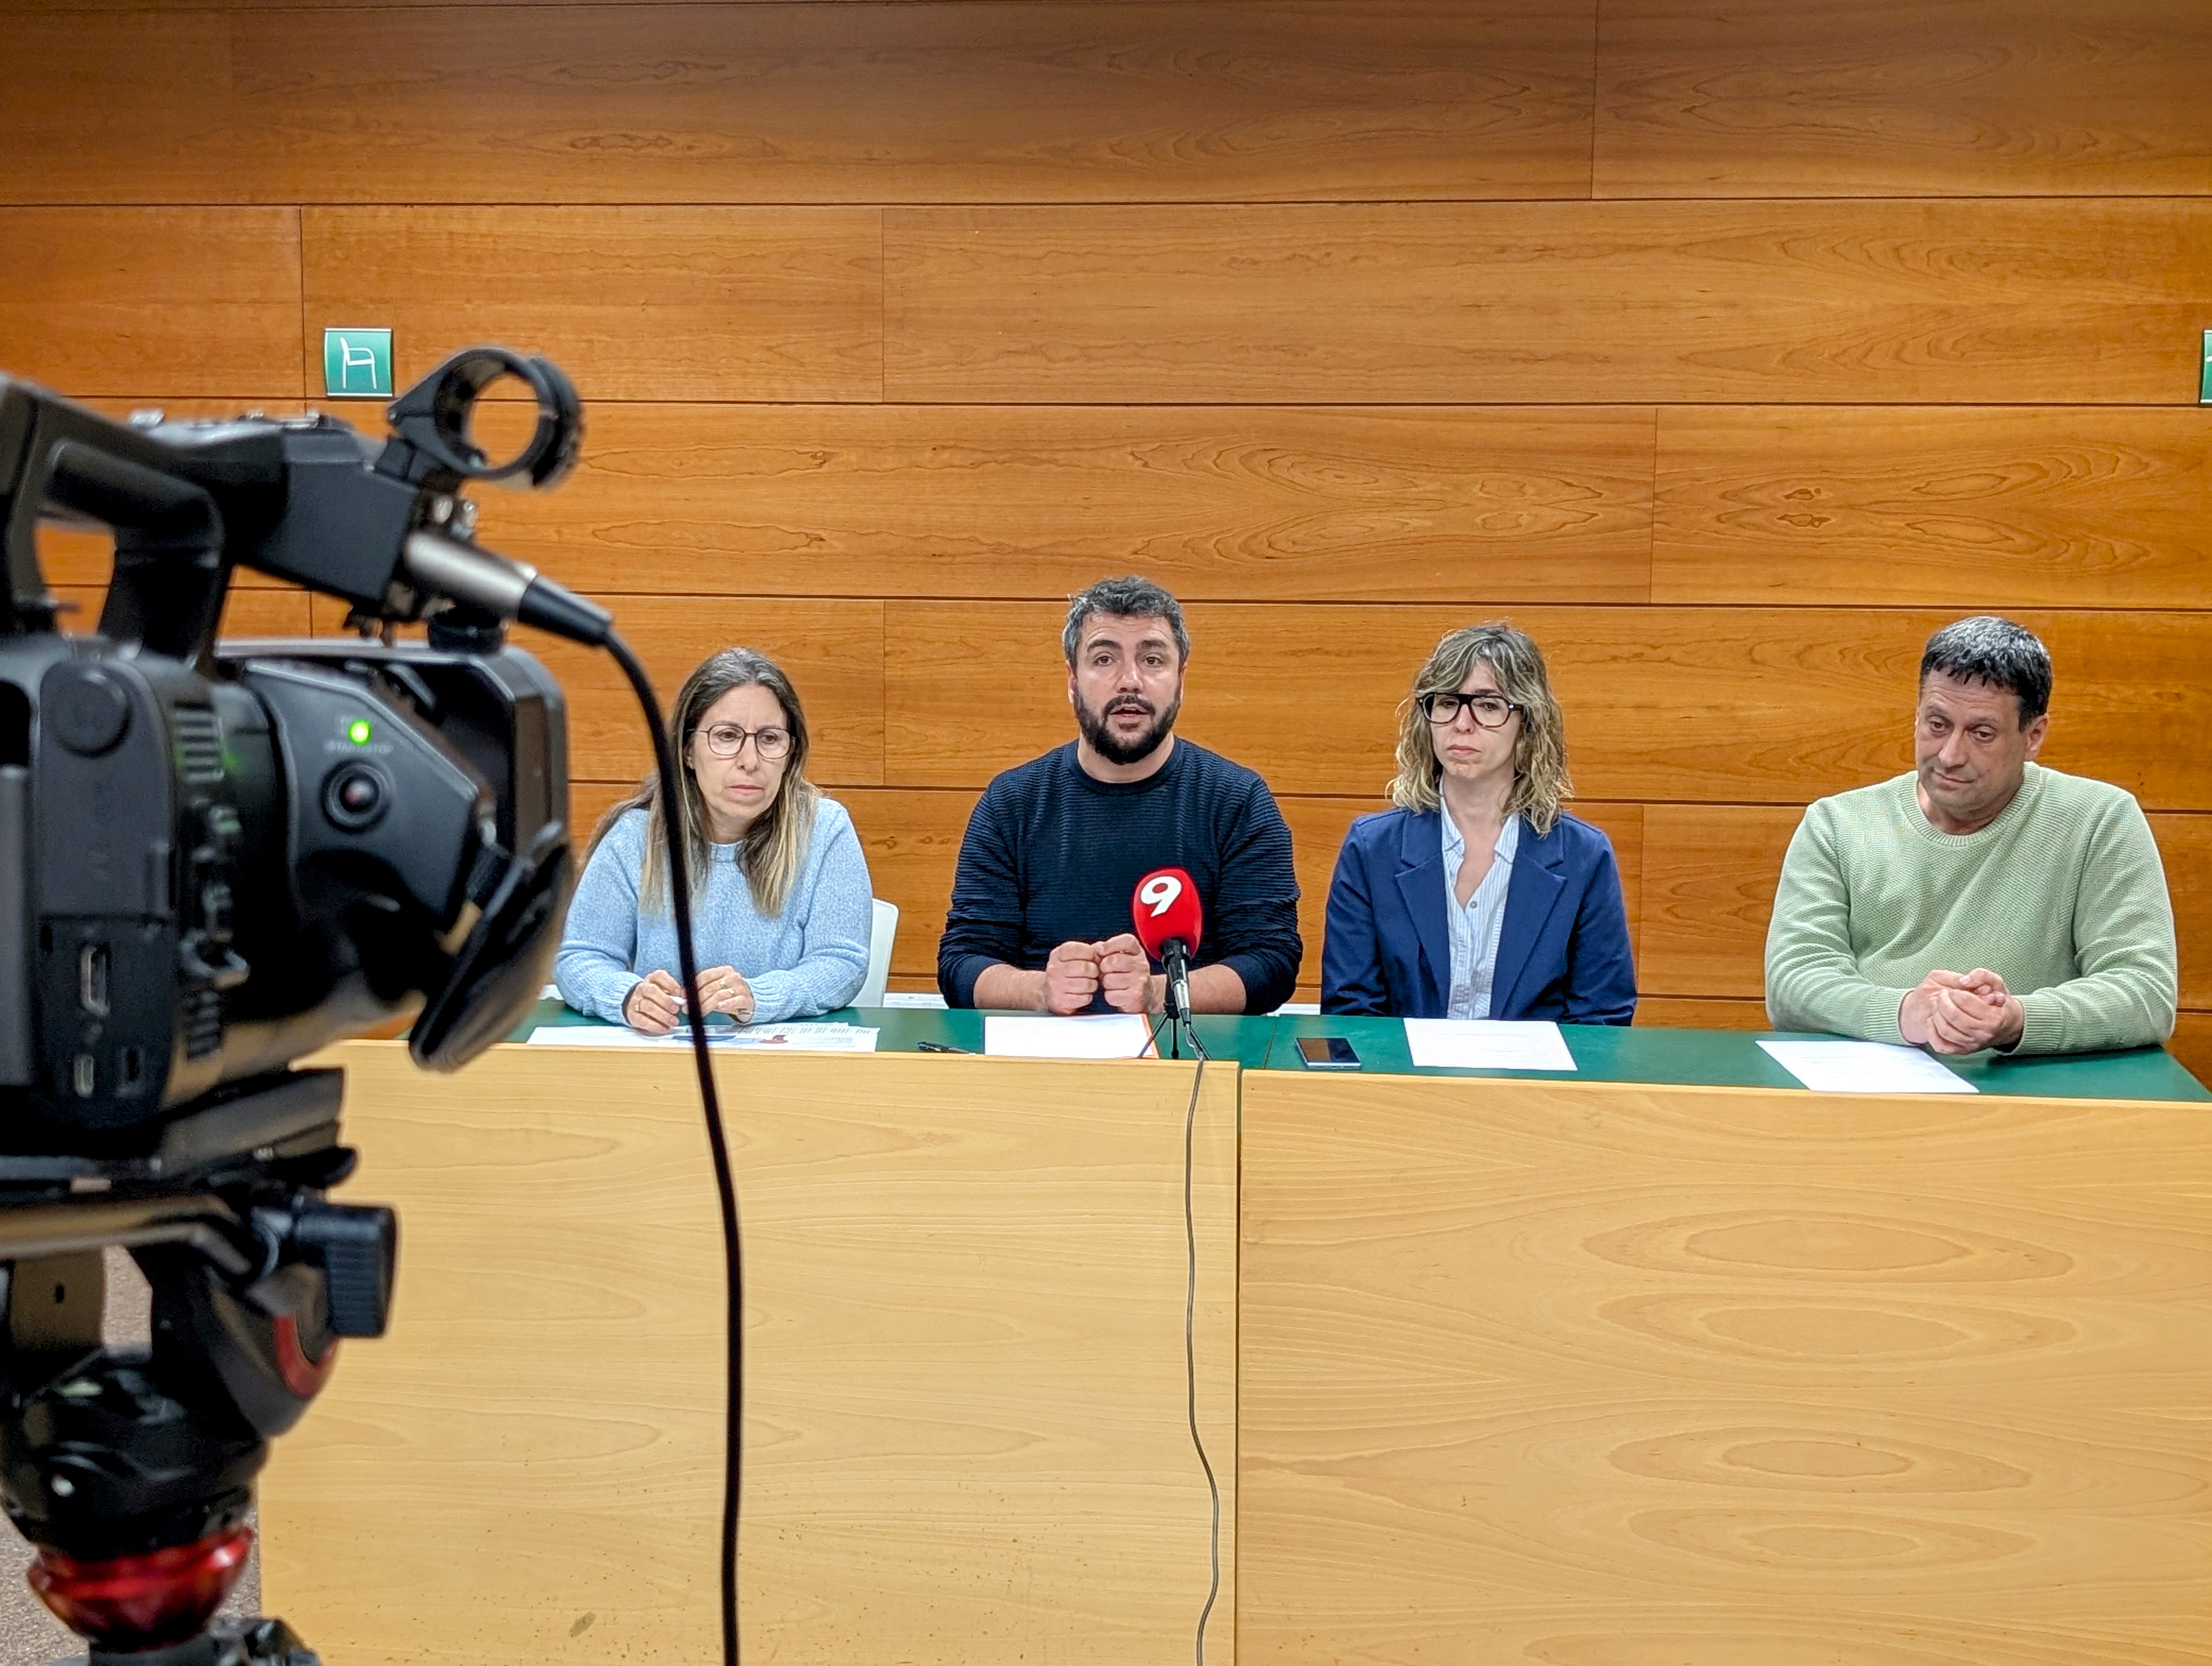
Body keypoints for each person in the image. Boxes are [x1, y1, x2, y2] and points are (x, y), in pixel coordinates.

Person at [1765, 616, 2176, 1055]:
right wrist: (1905, 1013)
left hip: (2033, 1088)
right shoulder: (1837, 823)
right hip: (1869, 1083)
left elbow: (2145, 991)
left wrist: (2015, 1019)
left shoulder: (2099, 820)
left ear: (2033, 736)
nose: (1950, 755)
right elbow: (1794, 980)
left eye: (1981, 734)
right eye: (1937, 725)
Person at [937, 575, 1302, 1015]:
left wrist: (1158, 994)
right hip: (1043, 1049)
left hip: (1187, 1050)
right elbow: (961, 965)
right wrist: (1040, 991)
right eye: (1105, 659)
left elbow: (1271, 965)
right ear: (1073, 680)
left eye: (1152, 659)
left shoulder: (1238, 801)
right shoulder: (1010, 804)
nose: (1130, 681)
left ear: (1180, 680)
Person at [1321, 623, 1636, 1023]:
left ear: (1528, 723)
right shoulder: (1372, 849)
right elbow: (1351, 1011)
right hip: (1403, 1065)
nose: (1462, 724)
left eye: (1488, 706)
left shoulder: (1584, 857)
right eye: (1447, 703)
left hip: (1533, 1066)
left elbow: (1602, 1018)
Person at [557, 647, 872, 1031]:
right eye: (727, 736)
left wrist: (759, 996)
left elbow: (842, 963)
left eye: (769, 739)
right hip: (663, 1055)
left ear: (791, 752)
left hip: (782, 1056)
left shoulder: (824, 829)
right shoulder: (635, 836)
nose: (750, 761)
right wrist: (627, 997)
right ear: (688, 750)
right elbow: (580, 958)